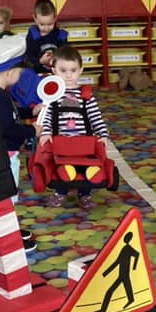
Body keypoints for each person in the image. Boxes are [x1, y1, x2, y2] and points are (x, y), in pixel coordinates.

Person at [0, 35, 41, 248]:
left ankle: (8, 229)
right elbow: (8, 129)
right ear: (9, 73)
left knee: (4, 195)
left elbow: (10, 115)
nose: (21, 76)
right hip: (4, 157)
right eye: (20, 73)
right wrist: (32, 130)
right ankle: (5, 238)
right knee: (6, 197)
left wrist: (30, 111)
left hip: (0, 155)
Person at [38, 45, 110, 209]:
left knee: (87, 165)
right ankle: (60, 193)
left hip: (84, 142)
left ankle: (85, 195)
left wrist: (103, 134)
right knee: (60, 166)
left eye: (73, 70)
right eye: (63, 70)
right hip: (61, 141)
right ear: (54, 70)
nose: (68, 75)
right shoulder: (53, 95)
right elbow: (46, 116)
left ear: (80, 70)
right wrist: (46, 132)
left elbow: (95, 116)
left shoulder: (86, 95)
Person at [10, 0, 68, 117]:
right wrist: (40, 61)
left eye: (50, 24)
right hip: (36, 75)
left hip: (55, 74)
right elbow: (28, 57)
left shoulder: (60, 35)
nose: (46, 28)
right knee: (25, 75)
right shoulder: (33, 35)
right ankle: (34, 106)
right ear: (35, 18)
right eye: (42, 24)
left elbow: (67, 56)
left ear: (55, 18)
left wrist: (57, 60)